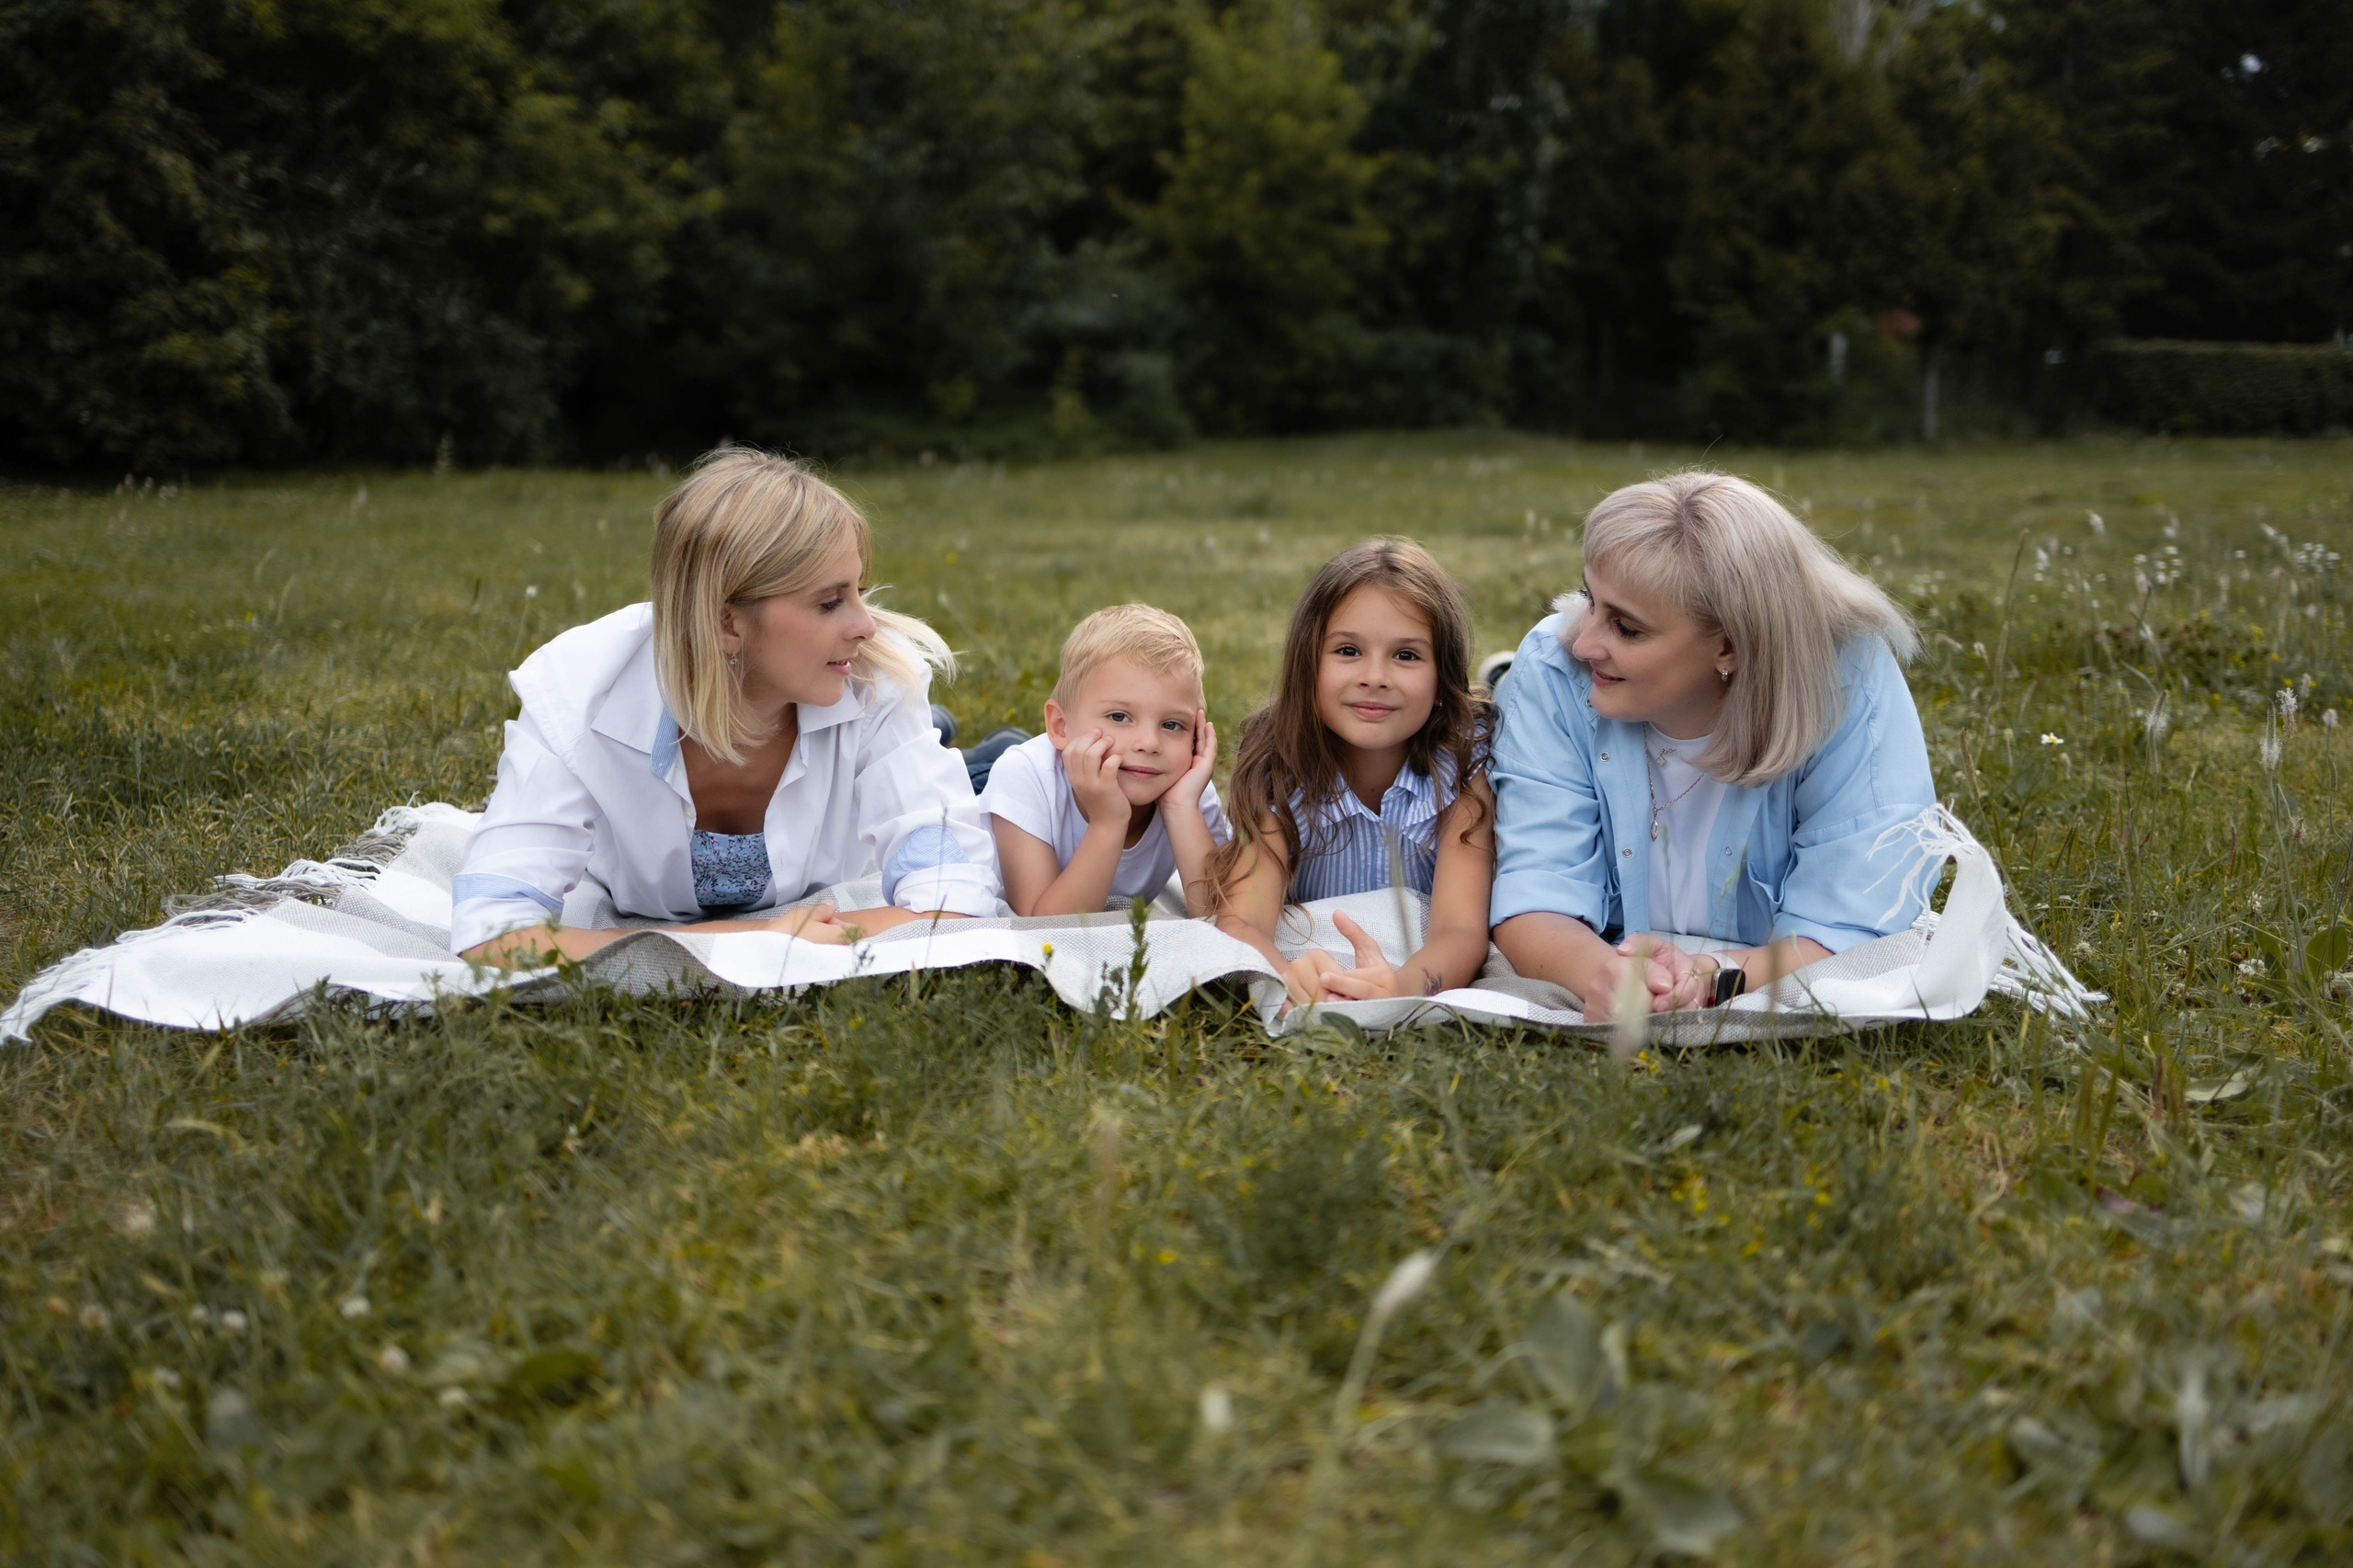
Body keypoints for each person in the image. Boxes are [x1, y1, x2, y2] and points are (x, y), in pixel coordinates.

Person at [450, 449, 1000, 964]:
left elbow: (954, 904)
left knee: (990, 780)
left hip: (868, 734)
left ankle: (975, 753)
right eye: (830, 602)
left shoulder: (876, 677)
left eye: (857, 591)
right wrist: (761, 938)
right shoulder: (575, 690)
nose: (865, 624)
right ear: (726, 622)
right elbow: (492, 936)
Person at [1488, 471, 1939, 1015]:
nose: (1583, 643)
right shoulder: (1554, 665)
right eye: (1589, 599)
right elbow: (1534, 892)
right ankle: (1501, 689)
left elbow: (1853, 924)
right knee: (1527, 680)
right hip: (1538, 699)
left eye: (1626, 629)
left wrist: (1711, 977)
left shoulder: (1846, 680)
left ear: (1730, 644)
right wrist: (1607, 979)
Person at [1210, 540, 1495, 1006]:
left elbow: (1460, 931)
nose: (1374, 676)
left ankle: (1504, 675)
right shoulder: (1279, 768)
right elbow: (1242, 923)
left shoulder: (1464, 767)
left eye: (1406, 655)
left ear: (1442, 682)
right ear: (1308, 665)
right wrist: (1291, 982)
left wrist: (1399, 988)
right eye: (1348, 650)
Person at [981, 604, 1229, 917]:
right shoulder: (1023, 777)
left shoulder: (1187, 791)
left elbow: (1222, 921)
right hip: (985, 783)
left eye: (1171, 725)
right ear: (1061, 726)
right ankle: (983, 751)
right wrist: (1107, 822)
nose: (1149, 744)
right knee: (981, 767)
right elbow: (1044, 929)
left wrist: (1181, 809)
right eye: (1119, 716)